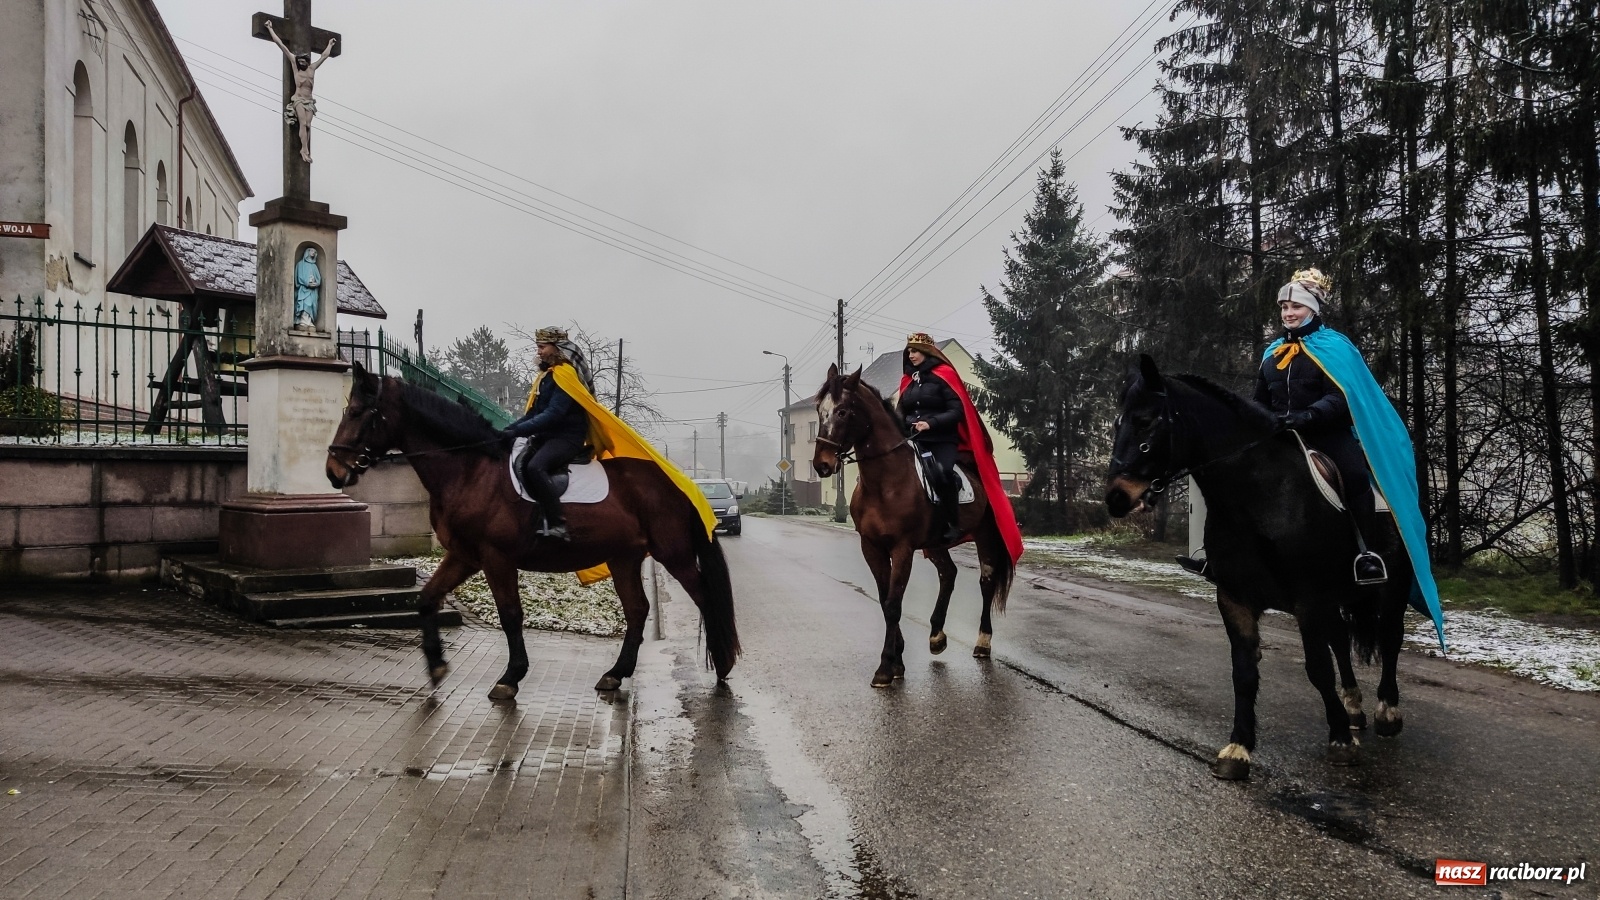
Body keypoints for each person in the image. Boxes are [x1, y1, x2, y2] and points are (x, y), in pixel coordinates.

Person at [501, 327, 595, 542]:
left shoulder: (565, 374)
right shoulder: (547, 376)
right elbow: (535, 412)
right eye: (538, 347)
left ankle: (558, 524)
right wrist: (509, 430)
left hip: (566, 438)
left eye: (542, 347)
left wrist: (518, 431)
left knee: (536, 467)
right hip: (547, 437)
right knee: (520, 464)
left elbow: (553, 414)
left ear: (557, 348)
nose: (539, 352)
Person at [898, 335, 966, 543]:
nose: (911, 355)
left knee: (942, 473)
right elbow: (900, 412)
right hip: (916, 440)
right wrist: (908, 423)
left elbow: (957, 411)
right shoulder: (907, 381)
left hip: (942, 439)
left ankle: (953, 523)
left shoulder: (945, 376)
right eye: (909, 352)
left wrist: (931, 423)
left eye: (915, 351)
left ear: (927, 352)